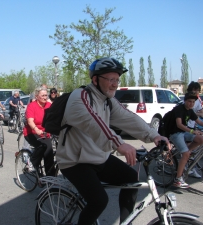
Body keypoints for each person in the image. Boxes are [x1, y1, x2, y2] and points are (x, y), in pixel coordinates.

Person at [56, 57, 171, 225]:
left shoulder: (108, 100)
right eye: (111, 79)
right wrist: (119, 143)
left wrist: (154, 135)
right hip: (74, 161)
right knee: (99, 200)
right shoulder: (80, 96)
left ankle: (126, 222)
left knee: (132, 180)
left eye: (117, 79)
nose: (115, 84)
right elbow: (93, 123)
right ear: (95, 79)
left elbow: (128, 118)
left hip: (97, 157)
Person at [169, 92, 203, 188]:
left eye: (193, 102)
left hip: (183, 132)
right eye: (189, 101)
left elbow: (199, 121)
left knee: (201, 139)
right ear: (185, 101)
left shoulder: (190, 110)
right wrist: (192, 131)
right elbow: (179, 125)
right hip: (175, 133)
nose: (191, 104)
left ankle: (187, 153)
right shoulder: (179, 109)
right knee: (185, 154)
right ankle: (178, 179)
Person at [23, 86, 55, 176]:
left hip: (45, 133)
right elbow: (30, 121)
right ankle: (32, 164)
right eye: (43, 95)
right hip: (31, 132)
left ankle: (50, 177)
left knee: (49, 153)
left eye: (46, 95)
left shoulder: (49, 105)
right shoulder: (31, 106)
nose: (45, 97)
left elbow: (55, 117)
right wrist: (36, 129)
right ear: (36, 96)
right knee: (42, 146)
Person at [186, 82, 203, 179]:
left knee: (195, 147)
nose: (196, 92)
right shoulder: (186, 101)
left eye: (197, 90)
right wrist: (199, 115)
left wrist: (202, 115)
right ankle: (187, 167)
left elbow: (201, 112)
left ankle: (191, 167)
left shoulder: (197, 100)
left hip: (193, 125)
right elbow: (191, 113)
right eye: (194, 90)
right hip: (185, 127)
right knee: (190, 148)